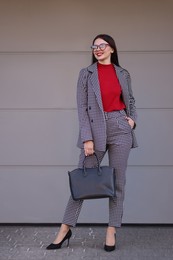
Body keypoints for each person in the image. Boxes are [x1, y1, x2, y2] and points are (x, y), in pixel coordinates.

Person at [46, 34, 137, 252]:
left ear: (112, 49)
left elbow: (130, 99)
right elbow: (81, 107)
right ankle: (65, 229)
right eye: (94, 46)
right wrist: (87, 137)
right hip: (95, 130)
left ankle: (111, 230)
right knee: (82, 182)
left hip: (120, 127)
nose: (98, 49)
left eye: (102, 45)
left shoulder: (123, 73)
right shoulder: (86, 74)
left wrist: (132, 120)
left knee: (118, 183)